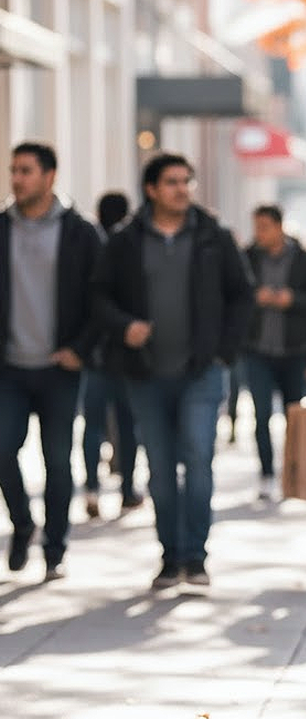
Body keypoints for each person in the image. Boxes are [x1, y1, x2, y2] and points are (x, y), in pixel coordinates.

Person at [92, 153, 253, 590]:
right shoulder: (126, 241)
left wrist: (224, 351)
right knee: (160, 471)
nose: (182, 189)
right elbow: (99, 296)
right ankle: (170, 556)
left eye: (187, 181)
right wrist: (124, 326)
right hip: (145, 375)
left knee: (198, 461)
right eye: (172, 182)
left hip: (201, 372)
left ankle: (196, 557)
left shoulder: (213, 236)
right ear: (151, 189)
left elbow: (242, 295)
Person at [0, 142, 101, 581]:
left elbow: (102, 298)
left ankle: (55, 548)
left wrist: (81, 346)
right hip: (10, 367)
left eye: (26, 171)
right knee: (2, 448)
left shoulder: (81, 232)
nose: (16, 179)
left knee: (58, 460)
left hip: (62, 367)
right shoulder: (2, 228)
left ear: (50, 176)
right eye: (13, 170)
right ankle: (23, 523)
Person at [244, 204, 306, 498]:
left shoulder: (304, 259)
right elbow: (234, 293)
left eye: (264, 226)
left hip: (294, 350)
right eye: (256, 226)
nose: (259, 233)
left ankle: (292, 472)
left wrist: (292, 299)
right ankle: (266, 474)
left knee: (293, 416)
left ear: (279, 226)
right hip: (257, 350)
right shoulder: (247, 257)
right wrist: (255, 297)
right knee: (261, 415)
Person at [80, 191, 142, 519]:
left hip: (93, 354)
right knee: (127, 425)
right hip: (122, 352)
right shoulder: (127, 247)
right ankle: (127, 489)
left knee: (93, 425)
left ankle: (91, 487)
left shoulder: (88, 243)